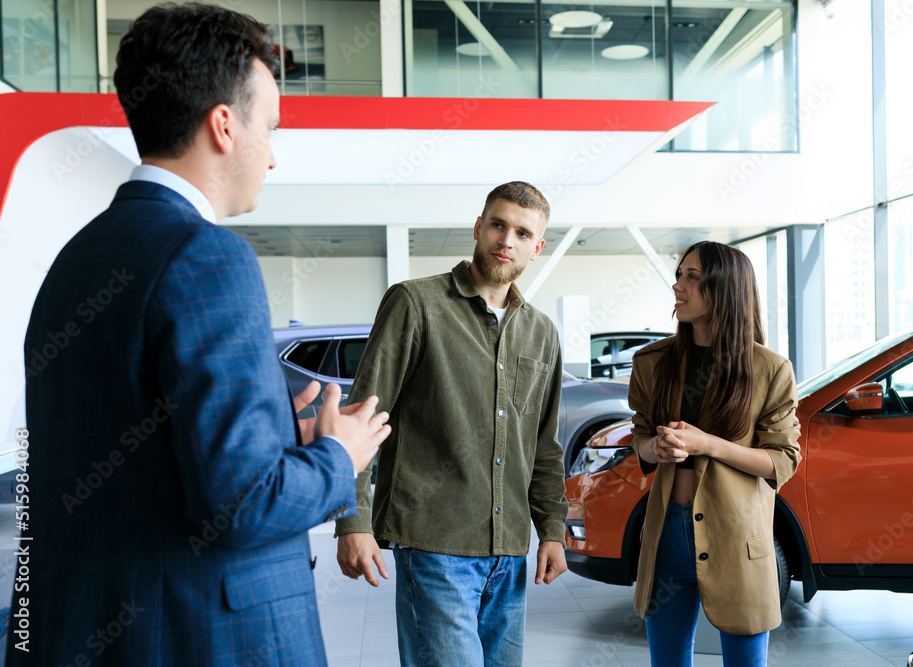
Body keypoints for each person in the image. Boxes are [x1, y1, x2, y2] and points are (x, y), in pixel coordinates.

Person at [8, 5, 390, 665]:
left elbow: (139, 463)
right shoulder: (207, 256)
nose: (273, 156)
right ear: (223, 125)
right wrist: (339, 457)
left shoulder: (77, 259)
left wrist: (280, 440)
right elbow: (240, 505)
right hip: (199, 637)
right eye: (269, 128)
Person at [335, 181, 569, 667]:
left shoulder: (542, 332)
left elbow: (543, 445)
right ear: (479, 227)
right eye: (498, 225)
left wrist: (551, 530)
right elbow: (362, 417)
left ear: (537, 247)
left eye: (523, 233)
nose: (507, 240)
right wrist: (352, 521)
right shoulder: (415, 303)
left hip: (509, 553)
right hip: (434, 545)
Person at [628, 241, 801, 667]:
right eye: (679, 274)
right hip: (666, 536)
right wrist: (655, 447)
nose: (678, 285)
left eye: (692, 277)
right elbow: (640, 436)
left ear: (725, 288)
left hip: (737, 538)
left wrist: (707, 444)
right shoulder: (651, 362)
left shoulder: (769, 369)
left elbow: (782, 460)